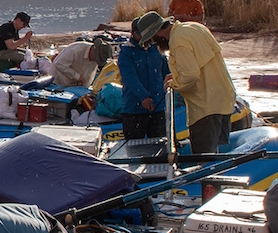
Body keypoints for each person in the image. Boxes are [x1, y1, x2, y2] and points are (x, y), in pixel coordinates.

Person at [131, 10, 236, 159]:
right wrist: (177, 75)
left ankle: (206, 181)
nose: (154, 43)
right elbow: (199, 64)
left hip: (205, 107)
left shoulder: (177, 40)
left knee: (203, 157)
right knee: (213, 153)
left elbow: (191, 75)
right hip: (222, 99)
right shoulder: (193, 27)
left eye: (153, 39)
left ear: (158, 33)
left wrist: (174, 84)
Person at [115, 29, 169, 141]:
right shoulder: (126, 52)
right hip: (134, 109)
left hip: (158, 106)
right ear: (133, 33)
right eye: (140, 35)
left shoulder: (157, 49)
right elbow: (130, 78)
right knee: (133, 145)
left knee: (160, 144)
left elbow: (166, 73)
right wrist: (143, 96)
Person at [48, 35, 112, 88]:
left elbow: (89, 76)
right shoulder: (76, 50)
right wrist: (77, 76)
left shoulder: (95, 60)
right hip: (58, 82)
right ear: (93, 51)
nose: (95, 61)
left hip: (75, 87)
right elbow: (59, 64)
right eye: (97, 58)